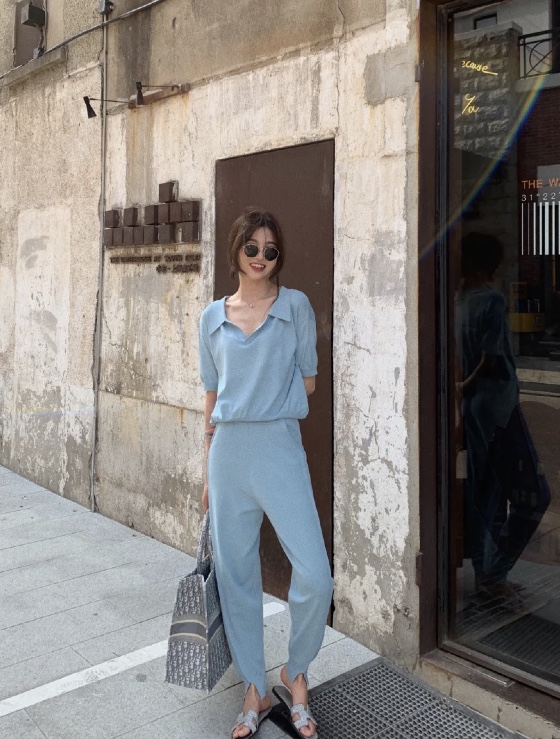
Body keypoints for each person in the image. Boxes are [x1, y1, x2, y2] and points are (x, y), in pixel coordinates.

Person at [199, 208, 333, 739]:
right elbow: (211, 397)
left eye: (270, 250)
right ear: (235, 249)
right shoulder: (211, 317)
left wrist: (266, 403)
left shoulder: (295, 306)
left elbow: (309, 382)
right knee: (236, 577)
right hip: (228, 453)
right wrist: (207, 472)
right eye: (251, 247)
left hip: (279, 447)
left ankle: (295, 673)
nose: (260, 257)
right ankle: (253, 687)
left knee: (316, 574)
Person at [455, 232, 551, 600]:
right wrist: (467, 383)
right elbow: (492, 358)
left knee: (487, 493)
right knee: (534, 495)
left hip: (473, 409)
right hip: (497, 407)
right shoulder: (491, 300)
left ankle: (487, 576)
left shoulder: (457, 302)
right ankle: (495, 574)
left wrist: (461, 389)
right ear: (490, 265)